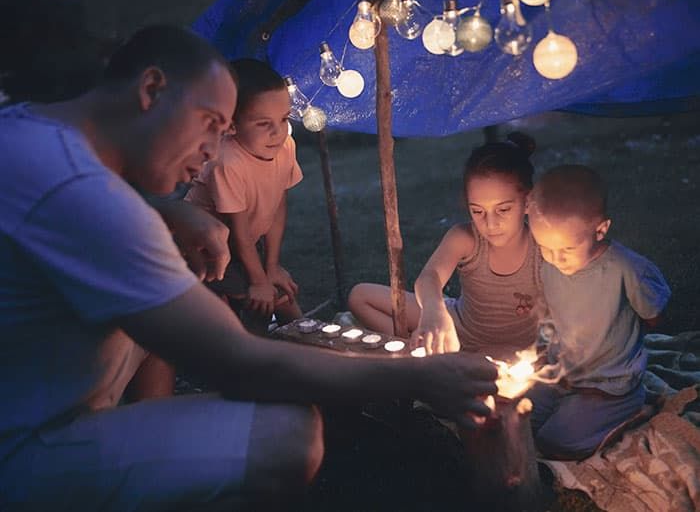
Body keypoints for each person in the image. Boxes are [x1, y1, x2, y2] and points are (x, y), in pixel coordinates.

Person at [0, 25, 497, 511]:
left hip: (31, 391)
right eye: (211, 124)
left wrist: (171, 210)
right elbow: (240, 363)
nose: (213, 152)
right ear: (152, 89)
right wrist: (420, 377)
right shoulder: (85, 198)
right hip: (27, 448)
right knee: (287, 432)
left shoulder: (28, 134)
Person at [349, 133, 544, 360]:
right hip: (457, 329)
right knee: (360, 296)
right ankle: (418, 349)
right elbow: (429, 277)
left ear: (528, 202)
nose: (490, 224)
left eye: (503, 210)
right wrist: (434, 312)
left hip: (519, 349)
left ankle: (435, 358)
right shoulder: (465, 238)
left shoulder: (544, 245)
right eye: (478, 211)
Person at [527, 164, 671, 460]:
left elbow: (654, 315)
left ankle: (632, 411)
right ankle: (573, 411)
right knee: (518, 419)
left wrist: (618, 336)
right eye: (544, 247)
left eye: (566, 249)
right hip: (562, 376)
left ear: (601, 229)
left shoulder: (627, 270)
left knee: (556, 444)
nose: (555, 259)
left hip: (609, 385)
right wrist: (543, 346)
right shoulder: (550, 268)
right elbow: (550, 314)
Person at [185, 58, 302, 335]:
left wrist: (271, 267)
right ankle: (245, 349)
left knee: (281, 295)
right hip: (208, 251)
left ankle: (320, 348)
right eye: (264, 123)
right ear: (232, 126)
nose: (278, 132)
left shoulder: (285, 146)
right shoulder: (227, 162)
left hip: (247, 242)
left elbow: (277, 207)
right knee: (263, 300)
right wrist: (259, 280)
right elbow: (236, 232)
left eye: (284, 119)